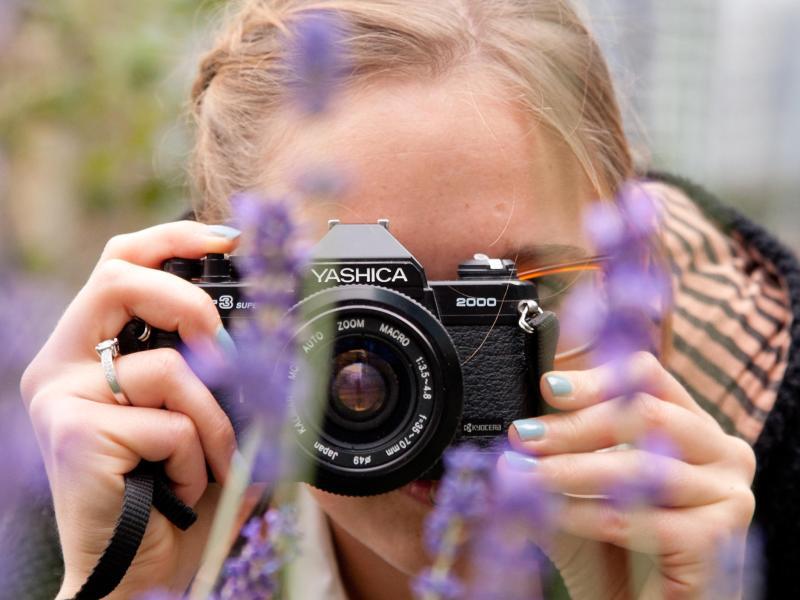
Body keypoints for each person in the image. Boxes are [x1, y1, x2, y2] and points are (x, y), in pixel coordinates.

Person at [19, 0, 799, 598]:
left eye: (514, 297)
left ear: (645, 280)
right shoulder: (140, 488)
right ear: (230, 308)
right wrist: (123, 582)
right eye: (351, 315)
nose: (427, 376)